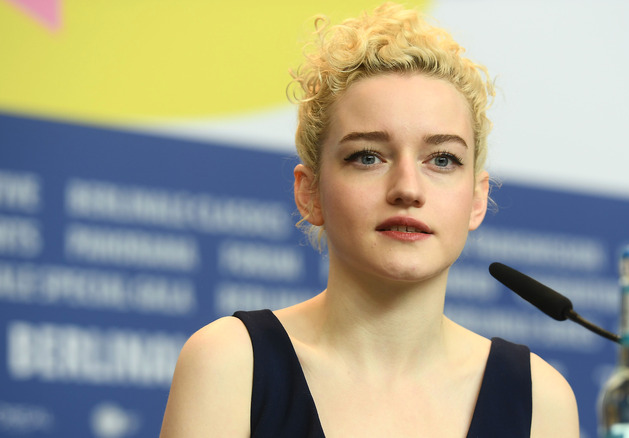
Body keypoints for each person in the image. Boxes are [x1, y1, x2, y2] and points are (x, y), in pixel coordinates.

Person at [159, 3, 579, 437]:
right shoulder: (231, 363)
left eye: (442, 159)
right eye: (368, 156)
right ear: (310, 193)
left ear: (476, 199)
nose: (408, 188)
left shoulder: (540, 399)